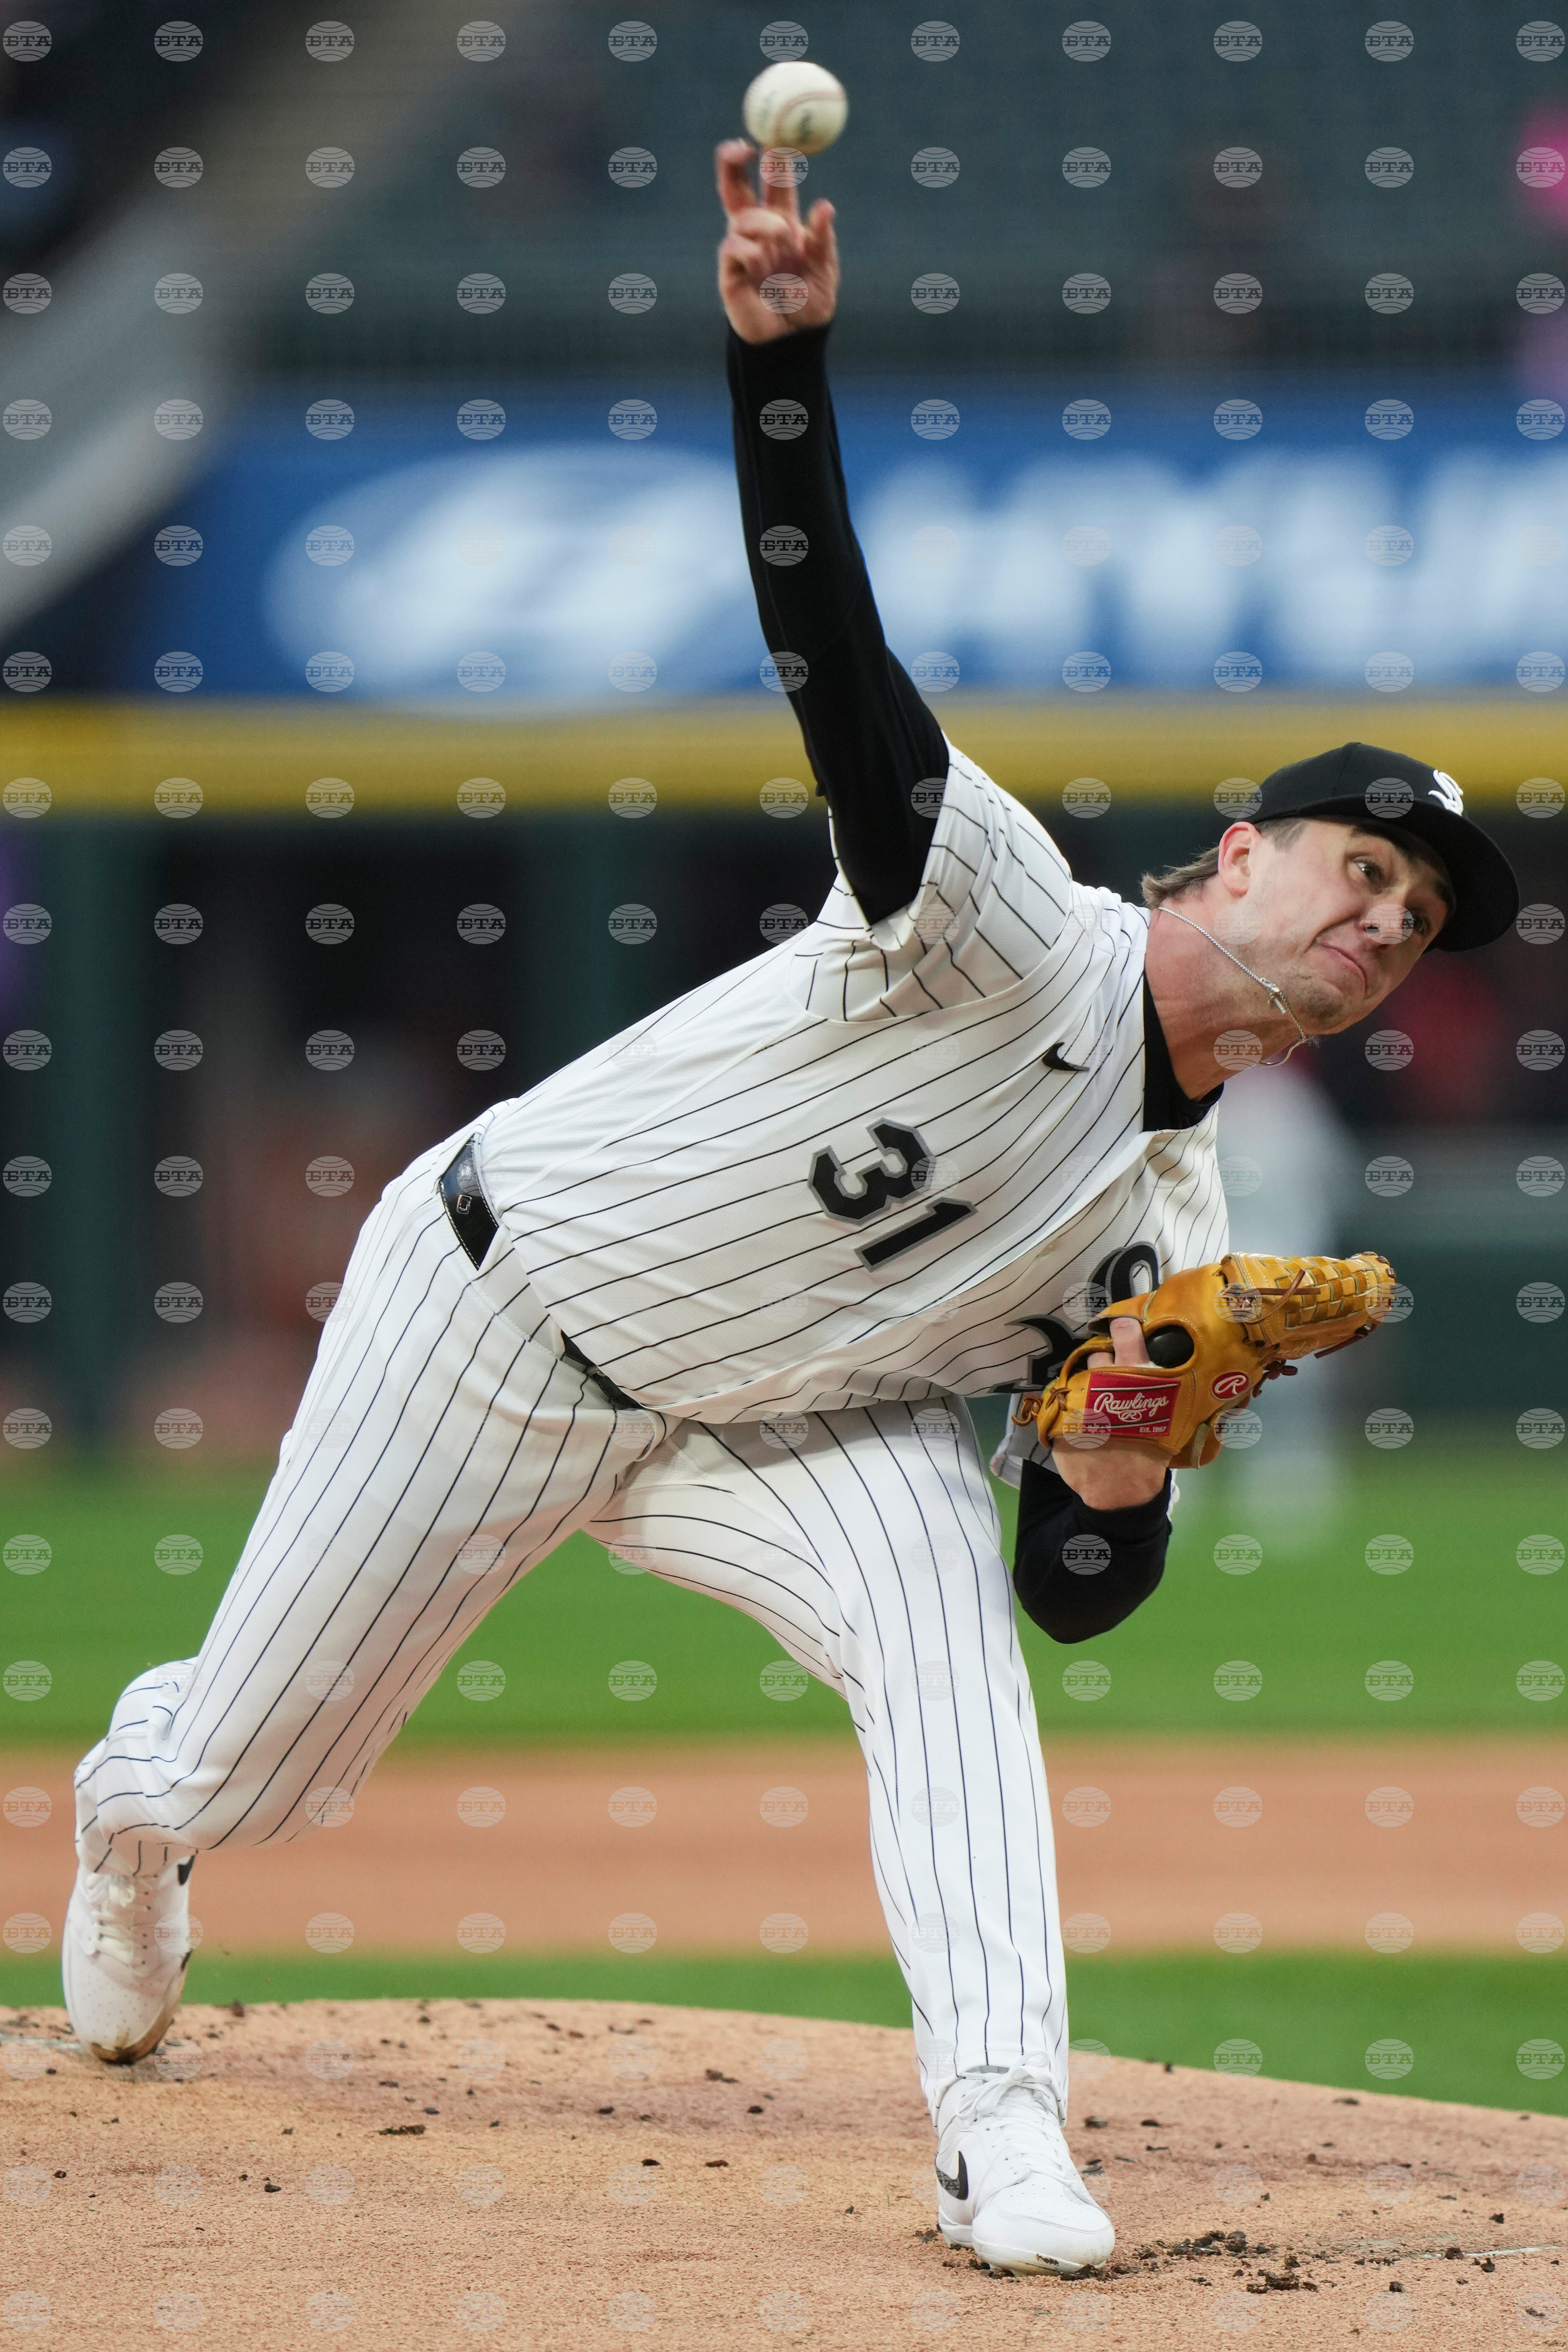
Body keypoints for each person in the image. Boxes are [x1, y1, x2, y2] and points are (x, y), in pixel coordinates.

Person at [62, 142, 1519, 2278]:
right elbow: (833, 643)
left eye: (1417, 917)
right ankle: (134, 1815)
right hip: (501, 1314)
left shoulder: (1179, 1235)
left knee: (945, 1634)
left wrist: (1116, 1472)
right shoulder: (1003, 916)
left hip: (789, 1422)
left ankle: (1002, 2126)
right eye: (1361, 867)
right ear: (1236, 858)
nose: (1384, 918)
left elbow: (1072, 1593)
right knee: (253, 1774)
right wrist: (779, 366)